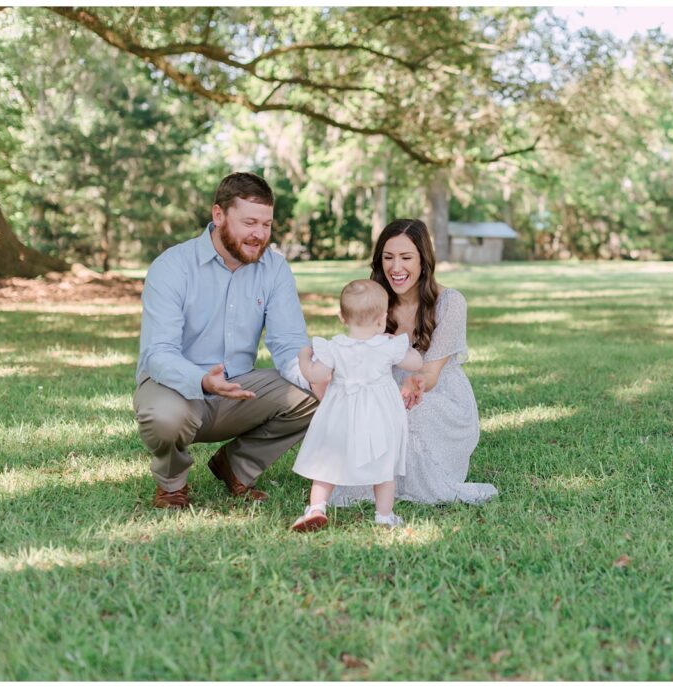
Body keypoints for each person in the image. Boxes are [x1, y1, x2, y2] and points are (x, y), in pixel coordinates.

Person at [133, 172, 322, 509]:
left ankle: (236, 466)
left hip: (238, 389)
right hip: (175, 385)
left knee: (314, 389)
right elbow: (159, 354)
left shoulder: (275, 269)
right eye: (250, 222)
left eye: (266, 224)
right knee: (166, 416)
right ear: (218, 215)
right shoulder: (173, 266)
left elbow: (289, 342)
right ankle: (172, 484)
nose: (259, 234)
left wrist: (314, 376)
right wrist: (203, 380)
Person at [330, 219, 498, 506]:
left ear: (424, 260)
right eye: (388, 257)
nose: (396, 268)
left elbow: (431, 372)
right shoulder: (373, 300)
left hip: (436, 395)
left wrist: (414, 383)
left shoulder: (450, 303)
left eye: (406, 258)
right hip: (382, 390)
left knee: (403, 412)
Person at [289, 279, 423, 531]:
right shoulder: (387, 346)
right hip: (380, 416)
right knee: (384, 467)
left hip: (341, 415)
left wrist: (304, 357)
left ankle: (316, 508)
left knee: (327, 463)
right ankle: (384, 516)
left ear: (341, 317)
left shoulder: (334, 347)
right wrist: (397, 343)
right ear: (382, 319)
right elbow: (415, 363)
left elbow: (316, 376)